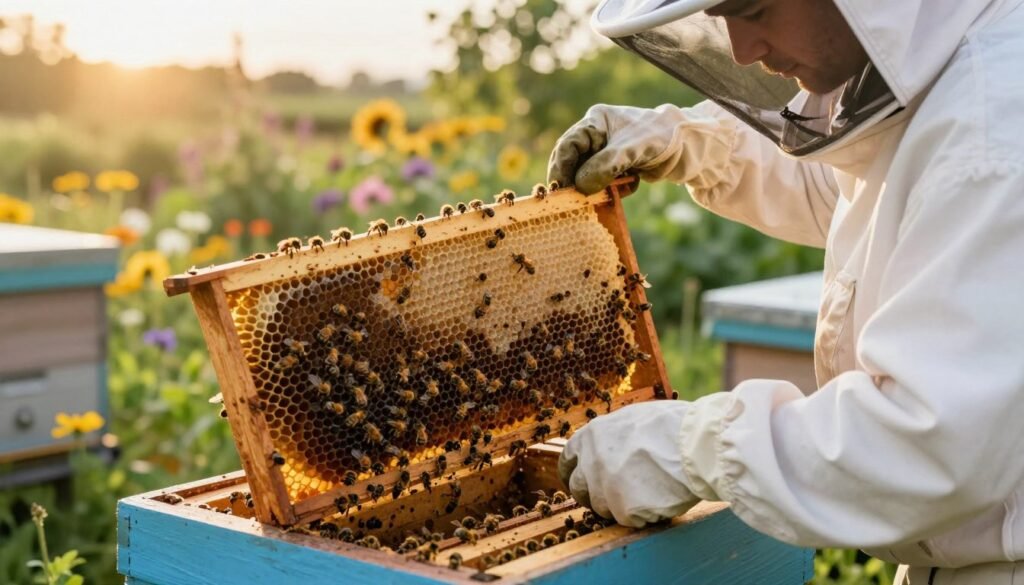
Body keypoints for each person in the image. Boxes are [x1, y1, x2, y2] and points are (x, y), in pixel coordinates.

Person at [549, 0, 1024, 582]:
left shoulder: (995, 129)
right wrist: (695, 142)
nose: (743, 50)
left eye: (753, 9)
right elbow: (863, 192)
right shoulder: (949, 74)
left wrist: (692, 450)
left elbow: (927, 446)